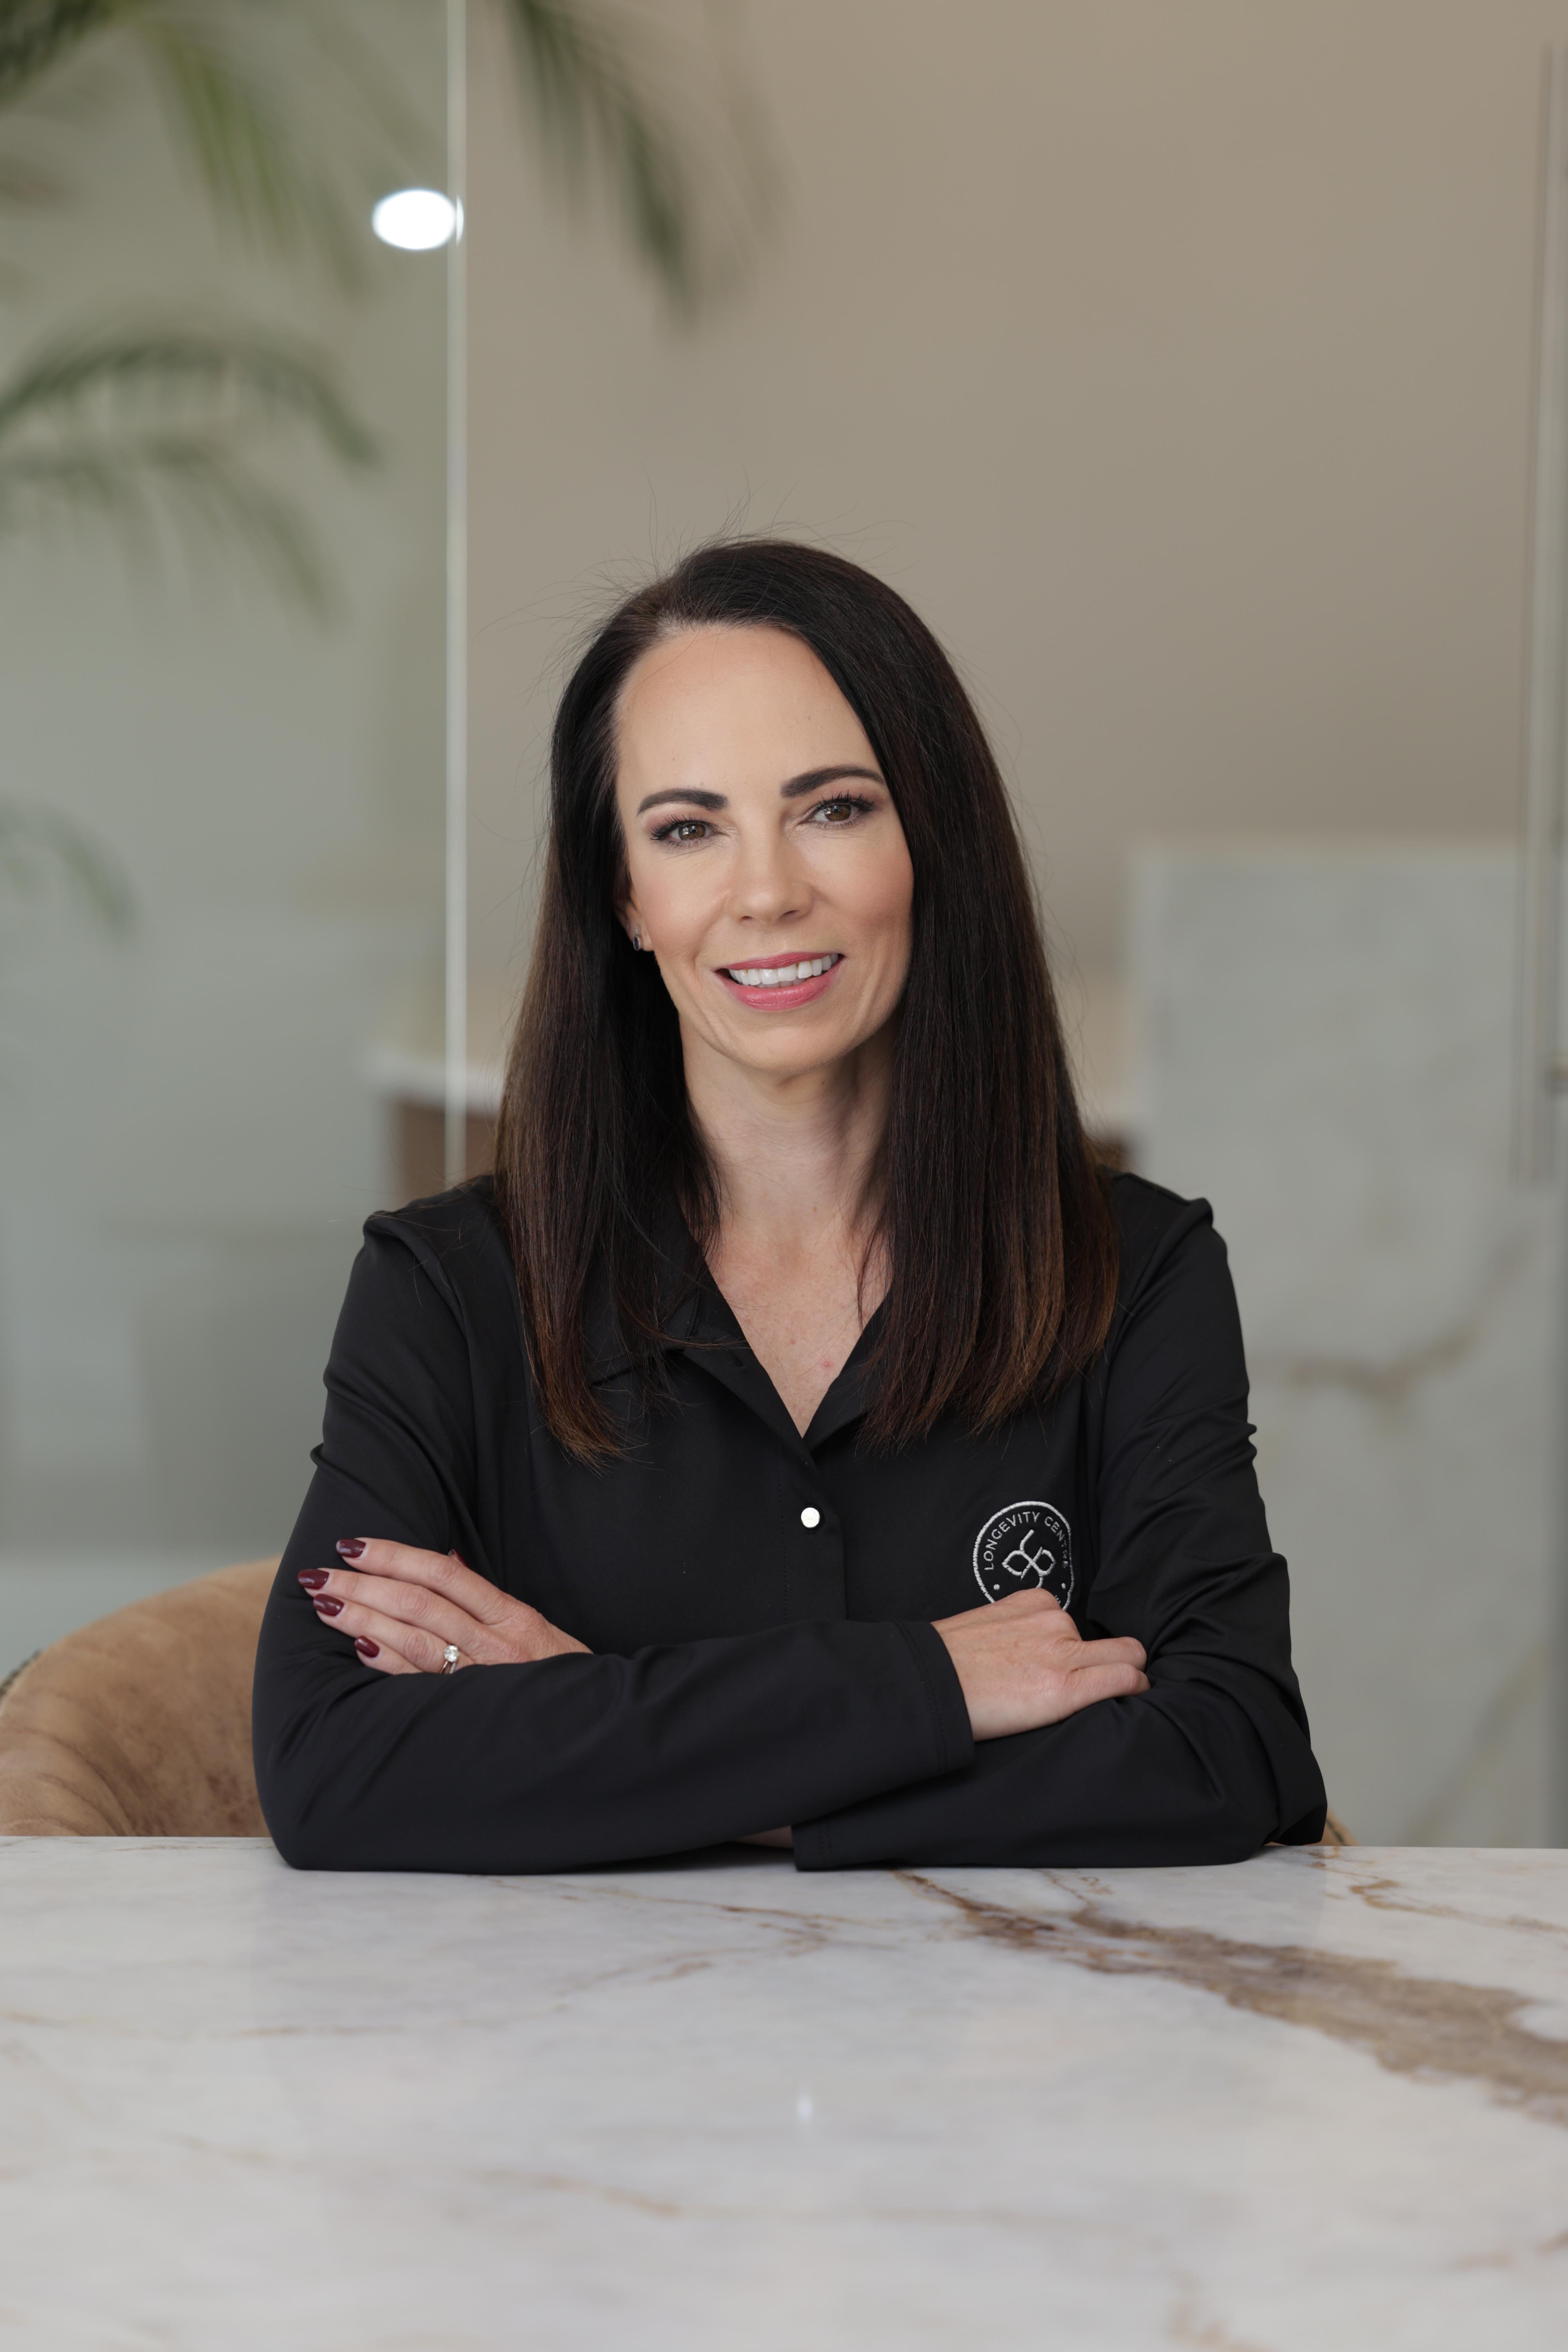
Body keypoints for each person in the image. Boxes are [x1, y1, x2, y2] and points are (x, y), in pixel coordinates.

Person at [252, 539, 1326, 1871]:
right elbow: (330, 1767)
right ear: (625, 899)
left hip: (1022, 2070)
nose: (766, 891)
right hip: (574, 2068)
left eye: (832, 808)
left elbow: (1232, 1757)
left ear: (933, 843)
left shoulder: (1137, 1274)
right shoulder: (447, 1291)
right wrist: (930, 1691)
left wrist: (623, 1740)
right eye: (688, 828)